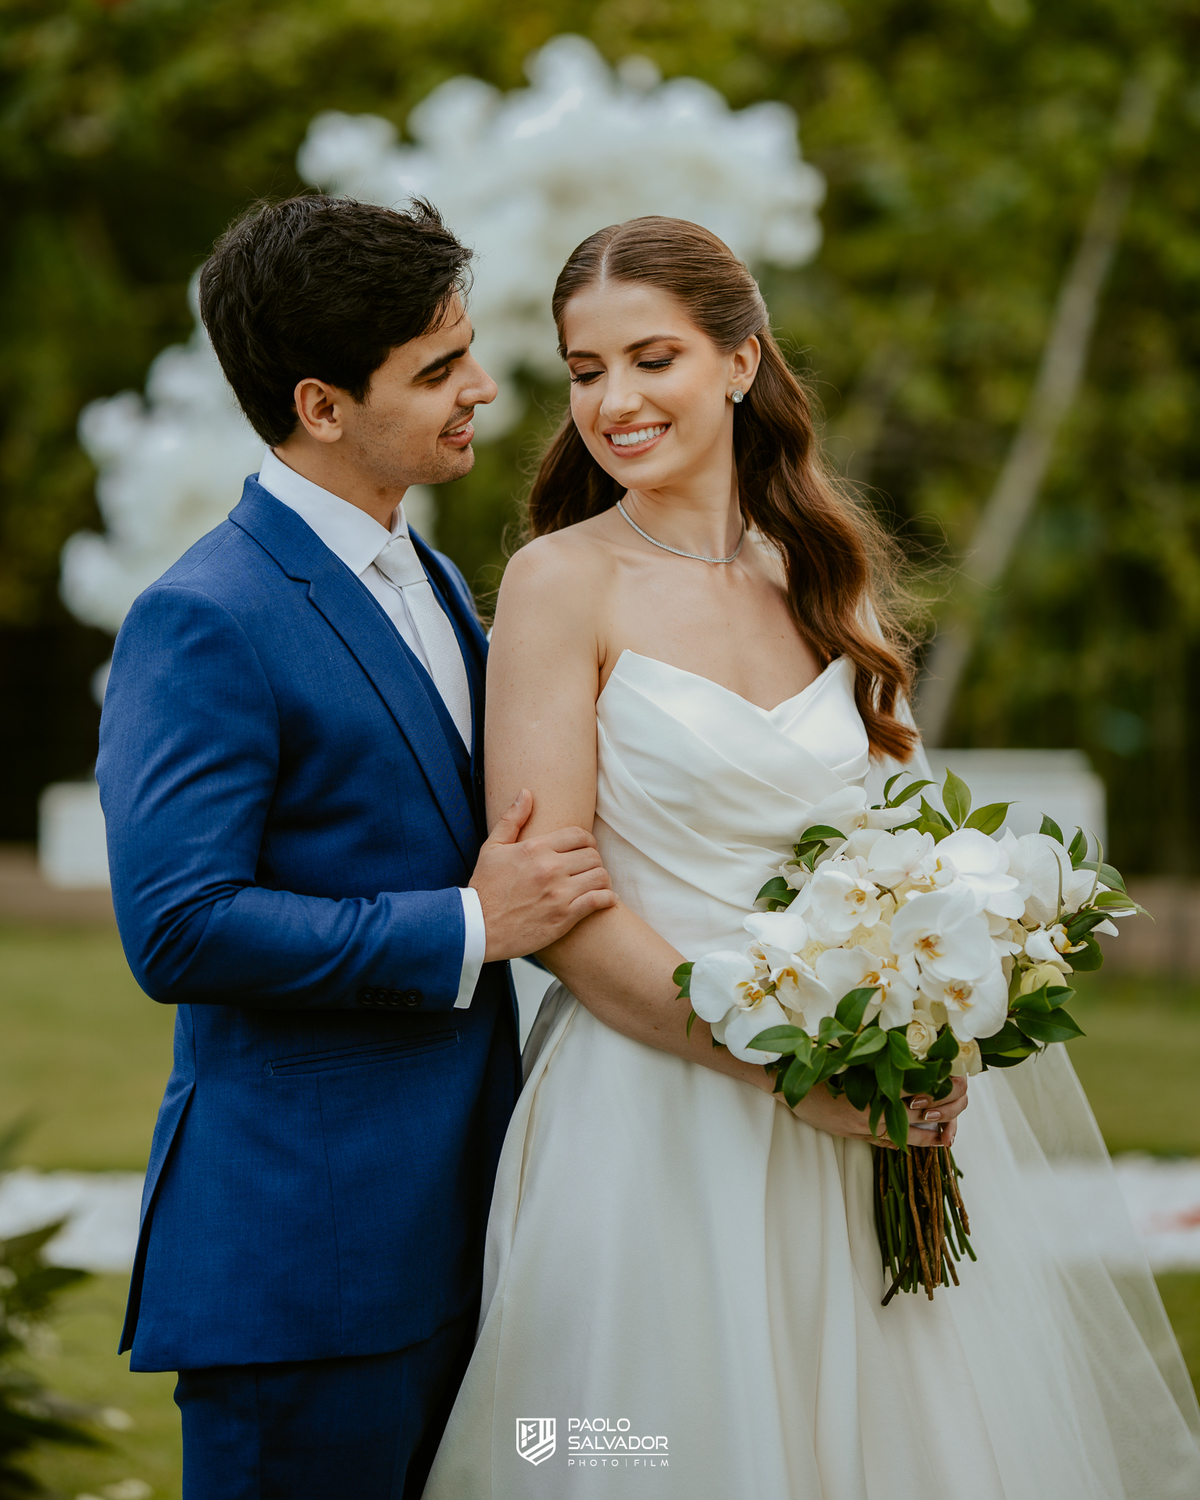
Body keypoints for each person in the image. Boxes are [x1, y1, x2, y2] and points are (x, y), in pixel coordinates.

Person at [424, 216, 1200, 1499]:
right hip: (660, 1116)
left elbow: (912, 855)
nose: (614, 401)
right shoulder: (563, 583)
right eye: (585, 370)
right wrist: (784, 1073)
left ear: (741, 361)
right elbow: (556, 904)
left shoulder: (825, 573)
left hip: (864, 1112)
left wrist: (921, 1028)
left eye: (653, 359)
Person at [96, 194, 615, 1500]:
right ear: (322, 407)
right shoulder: (203, 617)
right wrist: (470, 926)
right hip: (305, 1270)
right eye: (438, 370)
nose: (482, 390)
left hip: (460, 1232)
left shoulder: (426, 576)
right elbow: (179, 926)